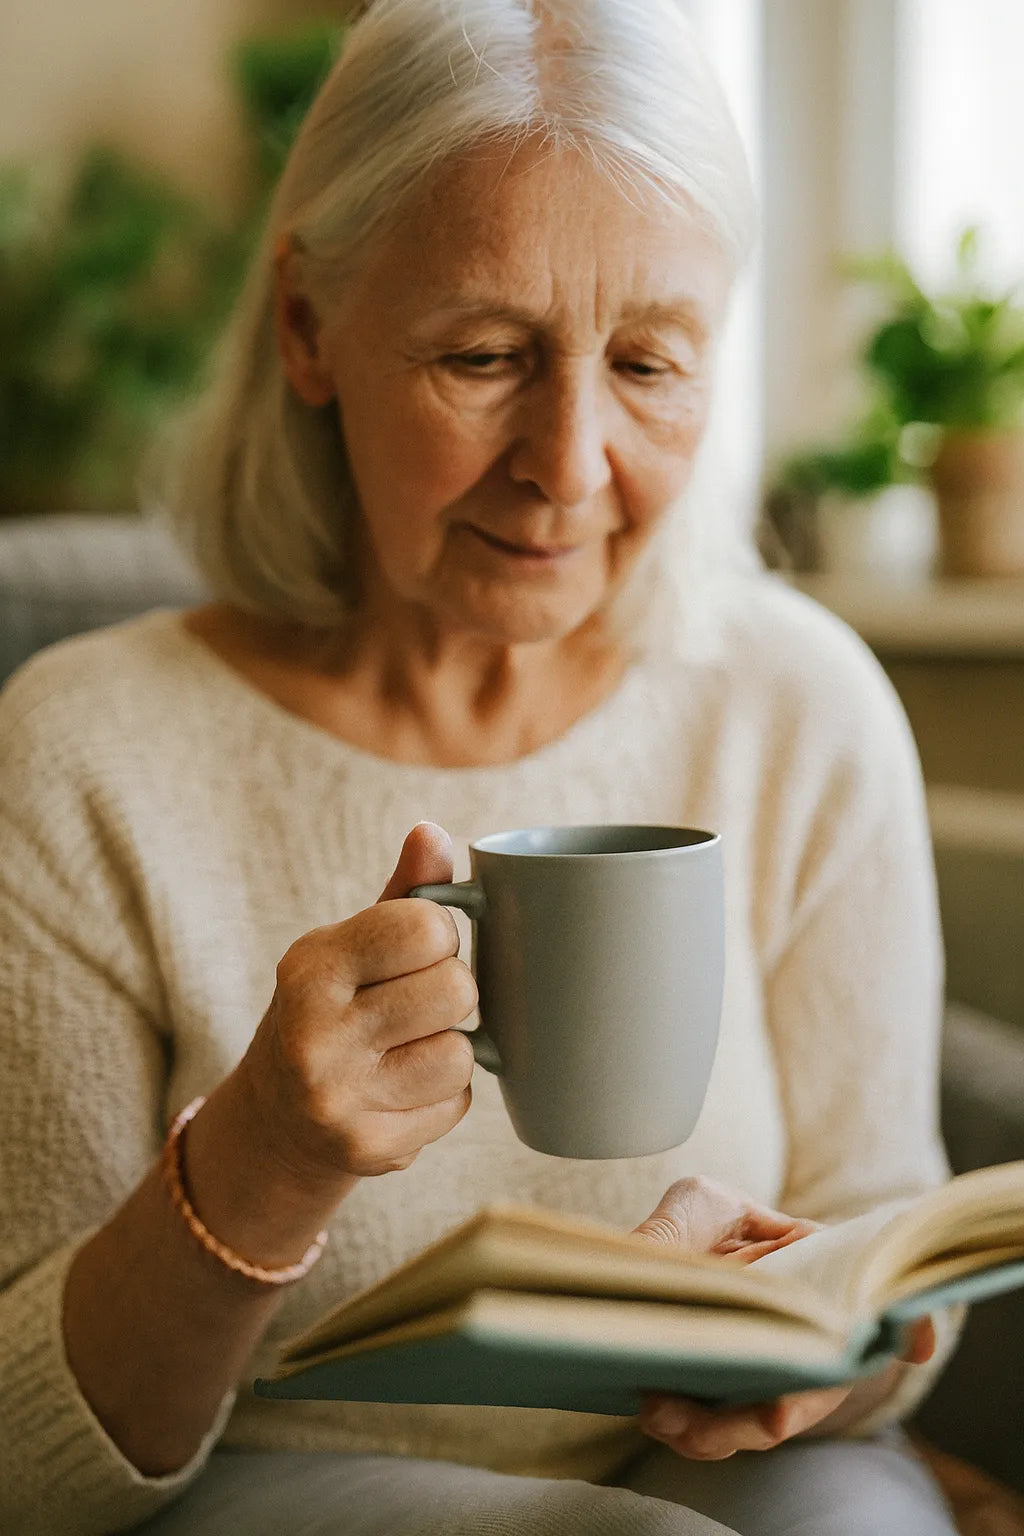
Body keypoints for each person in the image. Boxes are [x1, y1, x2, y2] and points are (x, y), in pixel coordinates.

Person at [0, 1, 962, 1532]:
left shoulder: (801, 708)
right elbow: (21, 1464)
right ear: (311, 328)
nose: (569, 467)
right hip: (261, 1479)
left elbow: (900, 1281)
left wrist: (808, 1346)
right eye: (486, 353)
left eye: (649, 362)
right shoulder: (88, 752)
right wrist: (253, 1166)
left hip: (733, 1473)